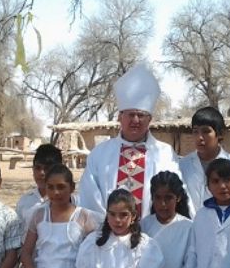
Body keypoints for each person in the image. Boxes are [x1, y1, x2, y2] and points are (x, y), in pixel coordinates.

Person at [78, 63, 187, 219]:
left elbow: (175, 193)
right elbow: (90, 197)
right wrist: (110, 227)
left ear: (150, 119)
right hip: (109, 234)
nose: (135, 120)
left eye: (141, 115)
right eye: (130, 115)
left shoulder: (165, 153)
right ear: (120, 117)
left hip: (153, 234)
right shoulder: (99, 154)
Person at [14, 144, 68, 268]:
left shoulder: (74, 202)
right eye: (38, 168)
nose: (42, 173)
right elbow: (19, 241)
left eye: (48, 168)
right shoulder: (25, 202)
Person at [179, 106, 230, 214]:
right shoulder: (183, 165)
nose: (200, 137)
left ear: (219, 134)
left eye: (206, 131)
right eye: (195, 131)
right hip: (189, 228)